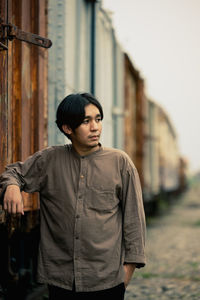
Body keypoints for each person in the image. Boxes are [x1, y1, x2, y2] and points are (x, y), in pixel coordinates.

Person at [0, 93, 146, 300]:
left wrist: (127, 272)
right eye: (86, 121)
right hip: (61, 280)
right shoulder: (49, 160)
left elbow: (135, 221)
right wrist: (12, 187)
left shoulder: (120, 162)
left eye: (98, 119)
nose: (95, 127)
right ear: (68, 128)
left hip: (106, 279)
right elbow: (13, 173)